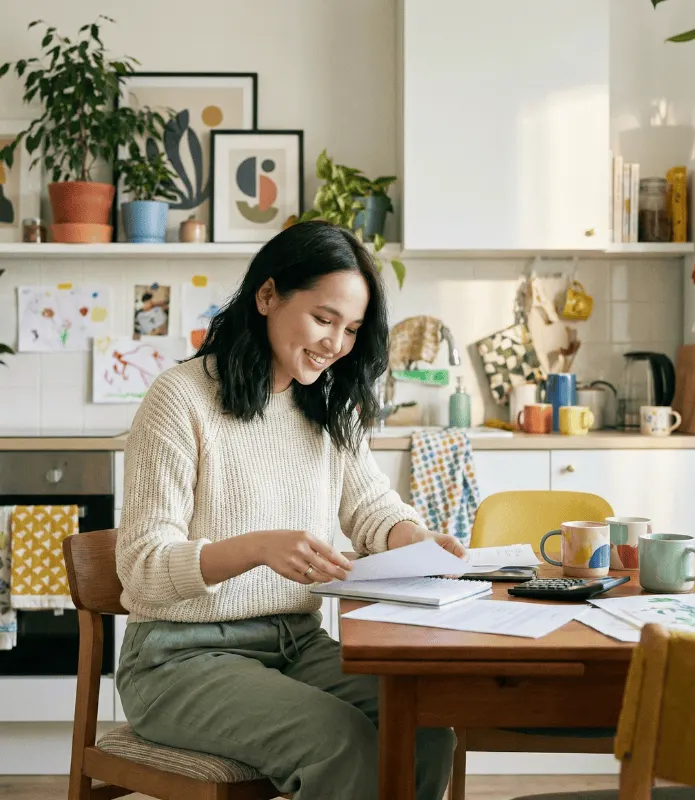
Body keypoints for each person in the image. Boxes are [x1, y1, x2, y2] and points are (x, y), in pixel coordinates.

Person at [115, 221, 464, 800]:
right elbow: (141, 565)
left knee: (426, 727)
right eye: (324, 319)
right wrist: (257, 547)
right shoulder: (180, 399)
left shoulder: (328, 404)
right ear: (268, 295)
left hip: (296, 644)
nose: (336, 344)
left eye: (351, 329)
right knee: (341, 741)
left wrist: (413, 539)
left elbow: (371, 504)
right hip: (179, 660)